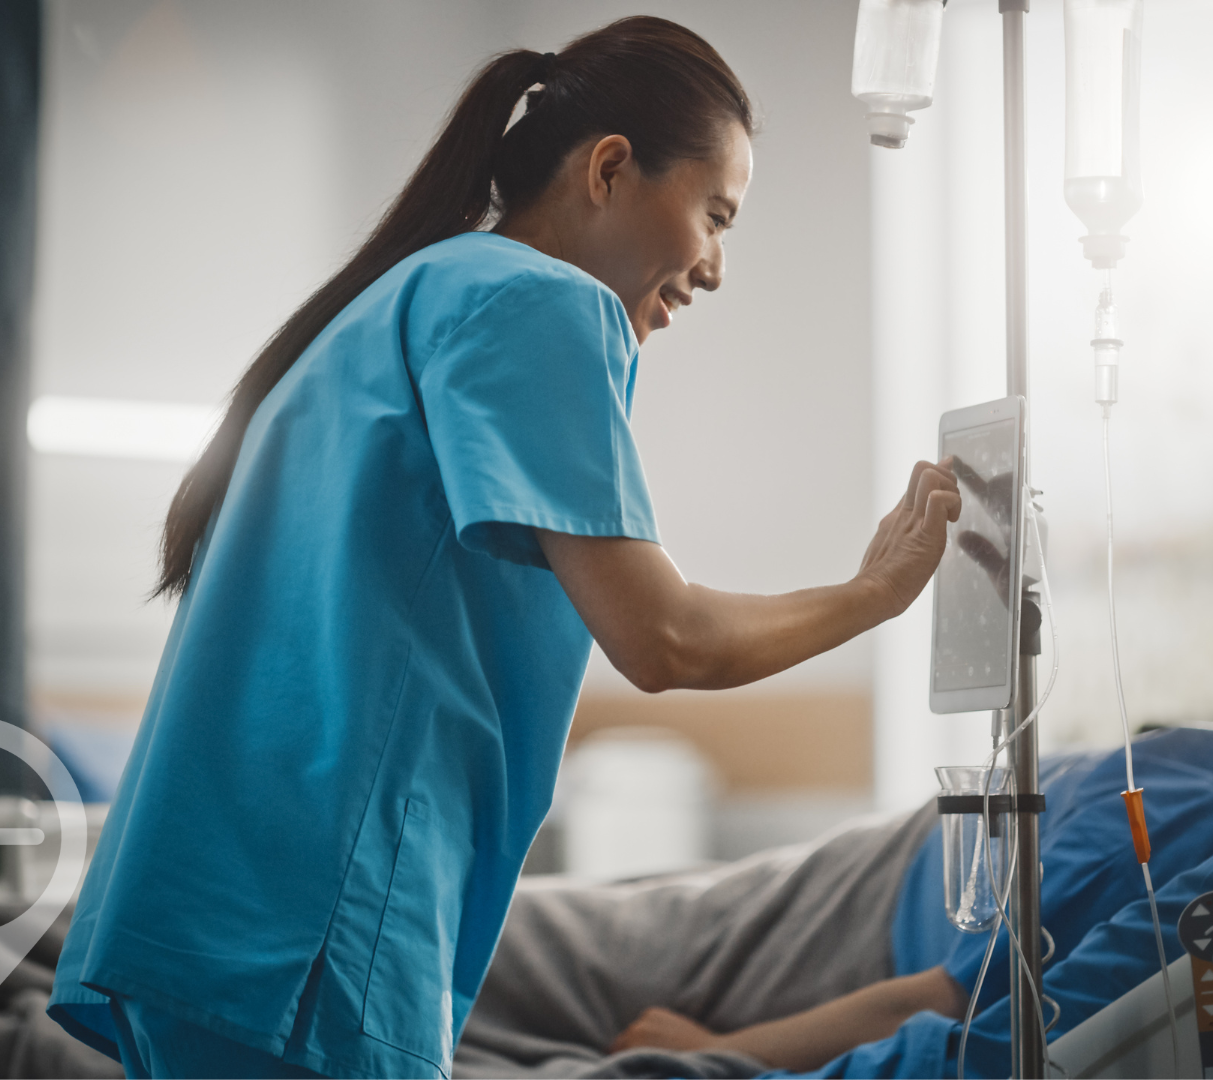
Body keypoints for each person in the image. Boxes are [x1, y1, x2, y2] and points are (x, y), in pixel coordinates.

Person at [47, 18, 966, 1080]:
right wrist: (874, 594)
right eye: (715, 214)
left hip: (223, 917)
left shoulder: (413, 296)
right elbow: (663, 638)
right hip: (306, 929)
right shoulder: (537, 303)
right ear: (611, 168)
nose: (715, 268)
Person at [451, 547, 1213, 1080]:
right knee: (543, 923)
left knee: (503, 938)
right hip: (890, 858)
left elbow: (960, 999)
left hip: (862, 937)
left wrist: (730, 1051)